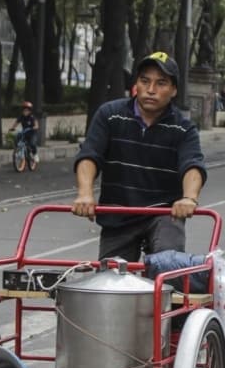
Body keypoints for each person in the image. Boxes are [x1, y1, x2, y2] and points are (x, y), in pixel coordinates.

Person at [72, 51, 205, 263]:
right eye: (145, 81)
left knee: (168, 267)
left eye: (161, 83)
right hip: (118, 215)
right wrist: (85, 193)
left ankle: (166, 286)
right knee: (110, 282)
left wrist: (189, 198)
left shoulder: (183, 128)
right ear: (137, 84)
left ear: (173, 90)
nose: (151, 90)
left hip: (164, 214)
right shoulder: (109, 115)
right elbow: (90, 155)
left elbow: (192, 166)